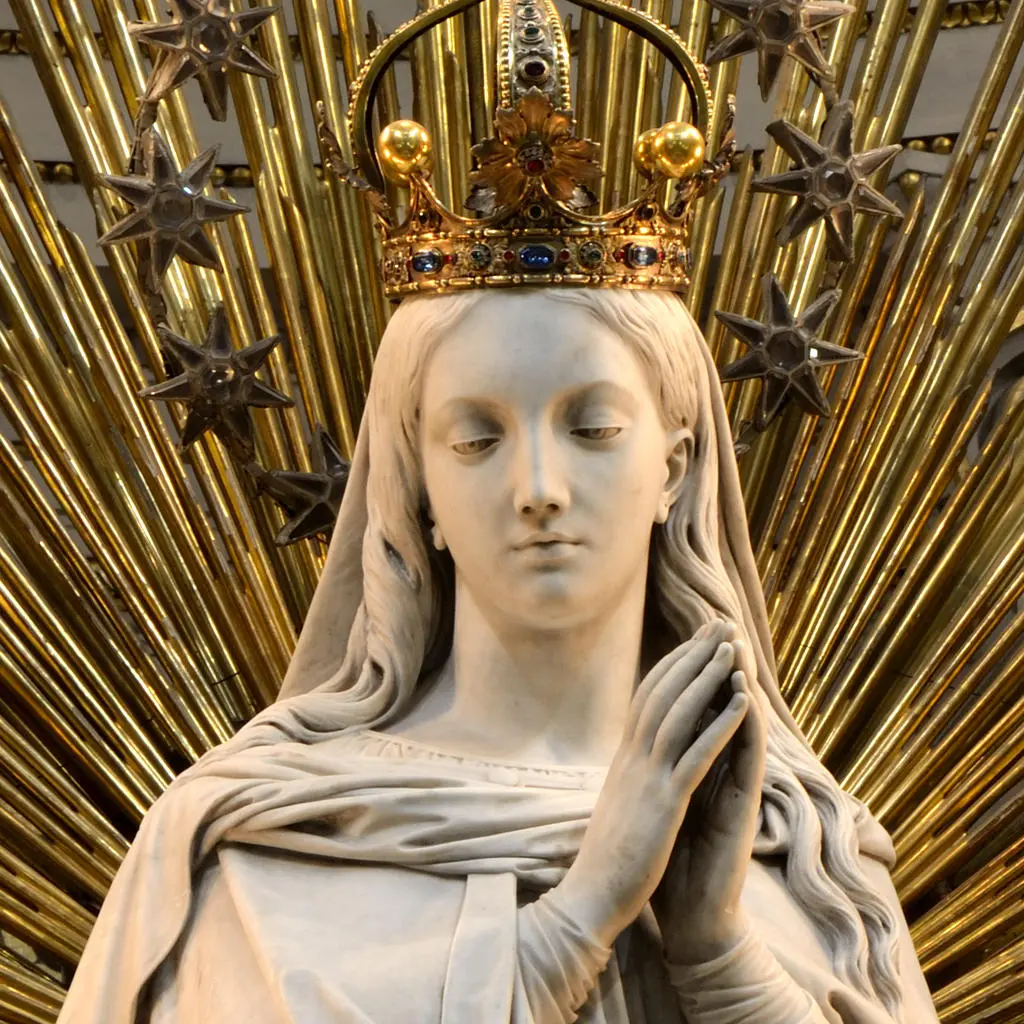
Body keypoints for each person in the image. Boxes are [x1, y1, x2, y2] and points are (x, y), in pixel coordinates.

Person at [56, 287, 940, 1023]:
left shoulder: (804, 851)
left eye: (593, 428)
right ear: (422, 492)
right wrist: (577, 920)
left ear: (673, 471)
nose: (539, 490)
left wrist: (718, 955)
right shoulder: (259, 840)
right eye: (477, 440)